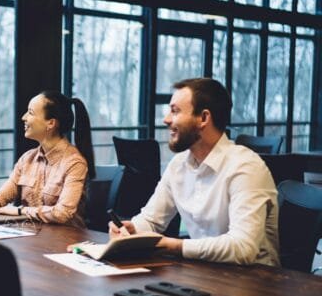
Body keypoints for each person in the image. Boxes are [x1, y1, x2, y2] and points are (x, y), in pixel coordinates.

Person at [109, 78, 279, 266]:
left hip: (256, 282)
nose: (166, 119)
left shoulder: (246, 167)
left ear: (203, 118)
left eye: (175, 111)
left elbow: (243, 248)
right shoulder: (178, 165)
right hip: (204, 272)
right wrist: (132, 230)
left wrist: (177, 246)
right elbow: (151, 220)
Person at [0, 91, 95, 226]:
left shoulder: (74, 163)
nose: (23, 117)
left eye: (31, 113)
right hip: (32, 236)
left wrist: (20, 210)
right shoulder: (27, 159)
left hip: (65, 244)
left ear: (51, 123)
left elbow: (63, 213)